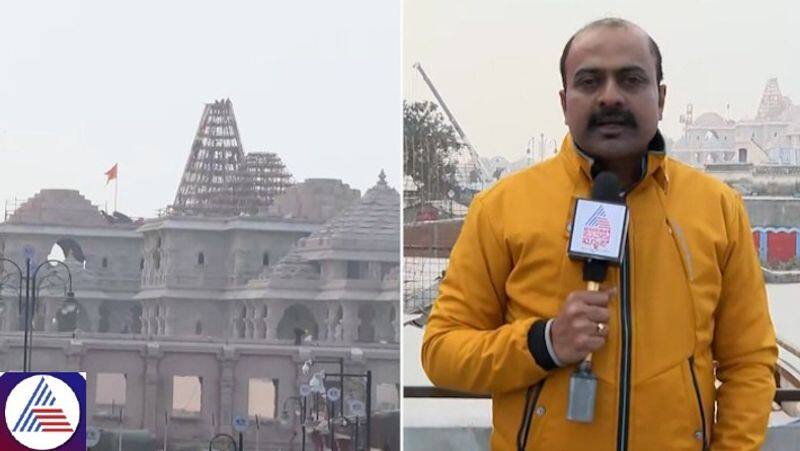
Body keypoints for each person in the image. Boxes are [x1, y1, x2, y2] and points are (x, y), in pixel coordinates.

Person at [421, 17, 777, 451]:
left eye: (631, 79)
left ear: (660, 98)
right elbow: (441, 351)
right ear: (564, 100)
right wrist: (544, 343)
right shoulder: (501, 208)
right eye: (590, 82)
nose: (611, 96)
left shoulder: (718, 207)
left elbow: (750, 363)